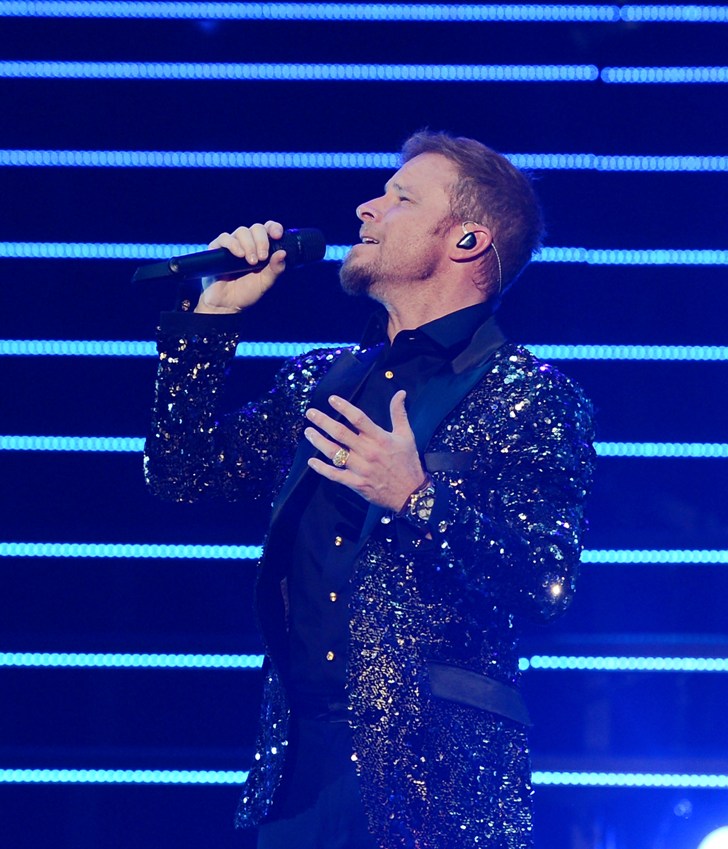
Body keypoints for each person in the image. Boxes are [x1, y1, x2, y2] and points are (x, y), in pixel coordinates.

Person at [144, 130, 596, 849]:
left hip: (437, 784)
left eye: (401, 198)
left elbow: (547, 585)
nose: (366, 208)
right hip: (298, 773)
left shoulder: (529, 395)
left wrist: (418, 497)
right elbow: (181, 472)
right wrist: (212, 321)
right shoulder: (319, 381)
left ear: (468, 239)